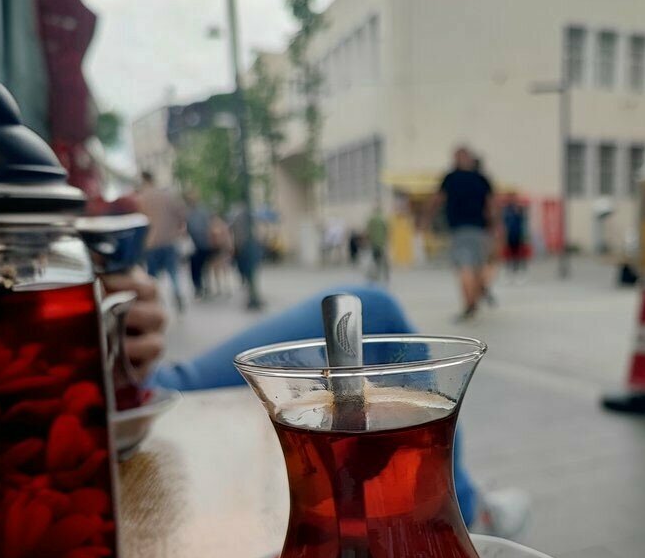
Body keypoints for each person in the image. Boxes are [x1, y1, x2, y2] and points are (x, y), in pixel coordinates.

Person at [102, 269, 530, 538]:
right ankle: (458, 521)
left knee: (375, 313)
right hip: (101, 409)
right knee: (376, 310)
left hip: (119, 391)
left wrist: (118, 323)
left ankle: (453, 518)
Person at [431, 146, 494, 321]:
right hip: (479, 229)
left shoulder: (450, 178)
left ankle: (469, 305)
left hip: (458, 229)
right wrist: (495, 227)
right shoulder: (482, 179)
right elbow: (491, 206)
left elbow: (437, 200)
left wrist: (426, 219)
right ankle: (476, 296)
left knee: (464, 268)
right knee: (477, 266)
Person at [136, 170, 187, 312]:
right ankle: (177, 295)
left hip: (151, 243)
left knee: (152, 276)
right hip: (169, 240)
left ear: (143, 180)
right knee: (173, 272)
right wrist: (178, 230)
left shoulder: (141, 198)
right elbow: (181, 214)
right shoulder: (167, 195)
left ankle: (156, 302)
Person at [228, 202, 264, 310]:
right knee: (248, 271)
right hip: (245, 249)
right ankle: (252, 293)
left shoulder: (239, 218)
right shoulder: (246, 217)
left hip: (244, 249)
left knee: (248, 271)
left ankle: (251, 293)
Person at [184, 188, 214, 299]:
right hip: (193, 244)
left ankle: (205, 286)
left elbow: (208, 226)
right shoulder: (186, 211)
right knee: (194, 267)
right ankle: (198, 287)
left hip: (203, 243)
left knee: (204, 266)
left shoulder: (202, 211)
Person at [501, 193, 528, 280]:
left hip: (518, 234)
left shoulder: (519, 209)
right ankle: (509, 270)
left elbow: (523, 221)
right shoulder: (506, 210)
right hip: (509, 234)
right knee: (509, 252)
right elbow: (503, 222)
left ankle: (518, 270)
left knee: (518, 252)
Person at [365, 204, 390, 282]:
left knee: (375, 259)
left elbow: (367, 231)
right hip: (381, 242)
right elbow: (387, 230)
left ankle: (374, 275)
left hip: (374, 243)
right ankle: (386, 276)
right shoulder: (382, 219)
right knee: (384, 260)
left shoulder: (371, 219)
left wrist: (369, 240)